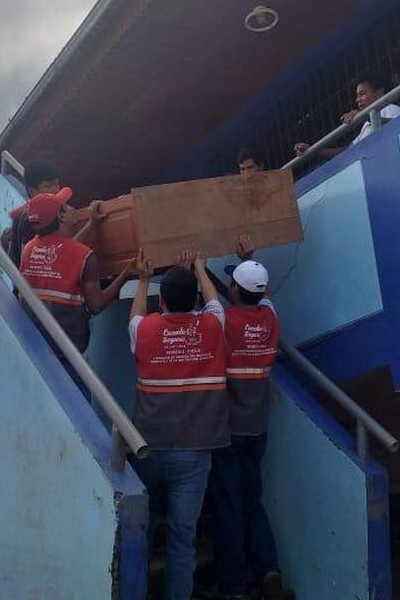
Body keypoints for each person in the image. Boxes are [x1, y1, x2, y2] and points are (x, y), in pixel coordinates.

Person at [129, 249, 230, 600]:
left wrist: (144, 280)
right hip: (194, 452)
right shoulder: (212, 327)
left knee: (141, 530)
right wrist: (200, 267)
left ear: (161, 301)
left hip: (148, 449)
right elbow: (215, 303)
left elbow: (135, 315)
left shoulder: (144, 330)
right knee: (182, 538)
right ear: (196, 301)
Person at [211, 256, 285, 600]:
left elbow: (210, 303)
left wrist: (197, 265)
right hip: (257, 430)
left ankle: (234, 584)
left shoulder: (225, 321)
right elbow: (264, 294)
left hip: (228, 431)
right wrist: (249, 257)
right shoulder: (269, 317)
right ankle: (269, 568)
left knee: (228, 506)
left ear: (233, 290)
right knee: (252, 499)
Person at [18, 187, 130, 385]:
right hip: (67, 355)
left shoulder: (29, 249)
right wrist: (127, 273)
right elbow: (96, 305)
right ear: (61, 217)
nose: (73, 208)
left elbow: (63, 252)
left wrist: (92, 224)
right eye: (67, 206)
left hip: (35, 349)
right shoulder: (84, 255)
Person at [293, 75, 400, 160]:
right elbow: (348, 151)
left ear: (379, 93)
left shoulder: (391, 109)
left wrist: (363, 116)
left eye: (362, 94)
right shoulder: (366, 125)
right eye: (357, 96)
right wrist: (312, 151)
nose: (357, 100)